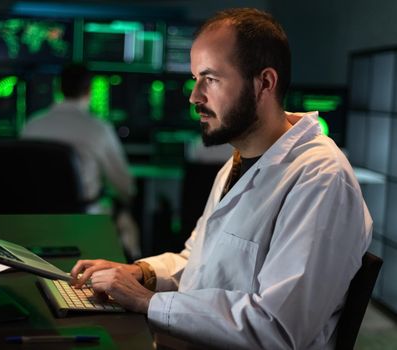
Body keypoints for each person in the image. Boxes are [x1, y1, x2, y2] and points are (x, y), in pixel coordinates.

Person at [70, 8, 372, 349]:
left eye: (210, 79)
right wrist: (139, 274)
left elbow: (278, 329)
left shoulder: (321, 179)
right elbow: (198, 262)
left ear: (264, 83)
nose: (194, 96)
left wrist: (146, 301)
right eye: (196, 78)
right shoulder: (239, 161)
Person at [21, 63, 140, 258]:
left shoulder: (31, 126)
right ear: (89, 90)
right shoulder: (98, 129)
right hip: (84, 222)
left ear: (59, 88)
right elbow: (125, 187)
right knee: (127, 225)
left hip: (37, 223)